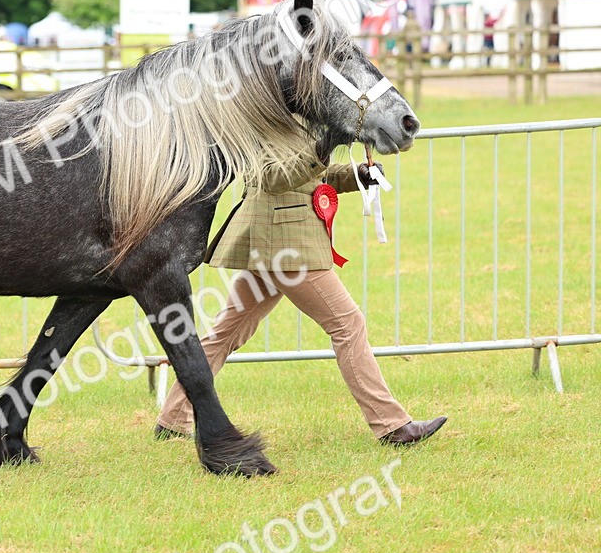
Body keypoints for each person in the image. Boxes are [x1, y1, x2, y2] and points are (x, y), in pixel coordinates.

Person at [155, 146, 447, 446]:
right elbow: (272, 177)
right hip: (287, 246)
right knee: (347, 325)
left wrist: (355, 175)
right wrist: (321, 149)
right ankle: (392, 425)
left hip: (274, 242)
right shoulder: (271, 117)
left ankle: (173, 420)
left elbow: (312, 177)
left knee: (226, 333)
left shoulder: (299, 118)